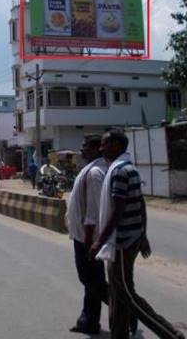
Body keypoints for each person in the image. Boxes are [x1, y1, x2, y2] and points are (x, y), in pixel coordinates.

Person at [90, 130, 184, 339]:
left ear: (115, 145)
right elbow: (140, 204)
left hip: (122, 242)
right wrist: (143, 234)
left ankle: (170, 333)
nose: (101, 148)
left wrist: (99, 241)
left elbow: (117, 210)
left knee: (126, 295)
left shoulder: (120, 171)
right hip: (127, 239)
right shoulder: (125, 168)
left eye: (104, 144)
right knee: (117, 294)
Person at [65, 135, 109, 335]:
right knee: (90, 281)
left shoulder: (94, 173)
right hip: (82, 236)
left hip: (87, 238)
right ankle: (88, 321)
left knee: (93, 281)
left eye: (85, 146)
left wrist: (92, 241)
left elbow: (94, 211)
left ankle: (125, 309)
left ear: (96, 149)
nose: (81, 150)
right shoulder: (90, 169)